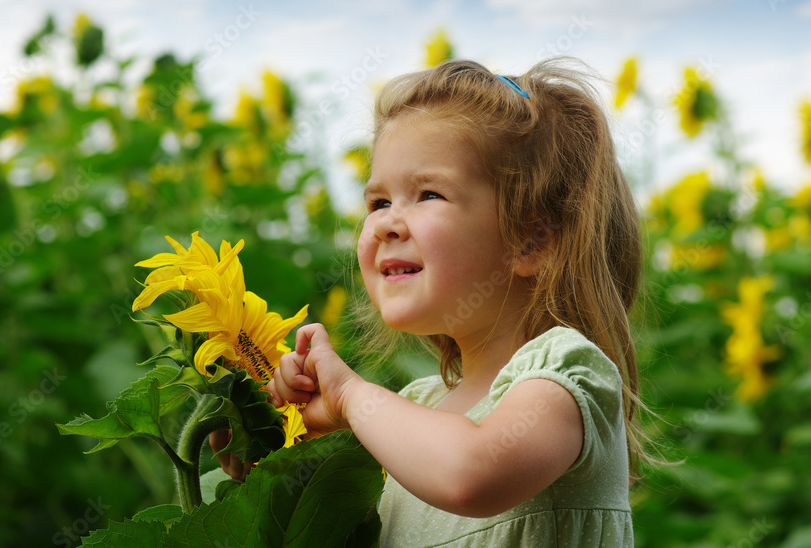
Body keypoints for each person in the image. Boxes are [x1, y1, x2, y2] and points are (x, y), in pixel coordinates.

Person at [219, 58, 645, 546]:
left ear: (531, 240)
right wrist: (260, 449)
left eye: (428, 194)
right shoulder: (417, 408)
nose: (383, 224)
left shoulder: (569, 374)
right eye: (378, 202)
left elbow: (469, 474)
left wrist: (353, 398)